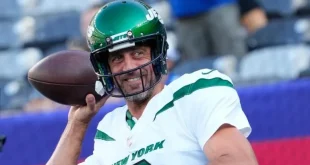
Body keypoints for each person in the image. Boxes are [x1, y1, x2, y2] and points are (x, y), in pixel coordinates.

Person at [46, 1, 258, 165]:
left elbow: (234, 159)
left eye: (138, 53)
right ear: (105, 68)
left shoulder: (195, 92)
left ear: (157, 54)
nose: (128, 66)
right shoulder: (110, 131)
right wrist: (77, 125)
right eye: (117, 58)